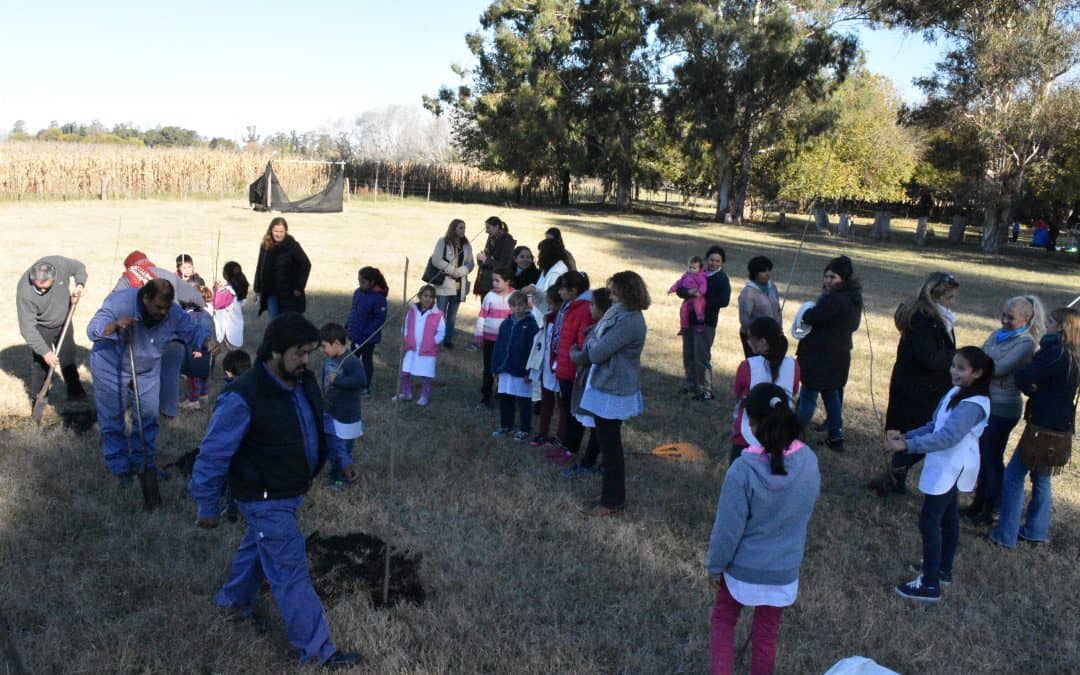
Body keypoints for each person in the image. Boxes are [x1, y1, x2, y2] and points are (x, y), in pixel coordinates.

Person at [188, 312, 361, 670]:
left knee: (259, 545)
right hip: (263, 496)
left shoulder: (304, 381)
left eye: (310, 352)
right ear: (274, 352)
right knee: (290, 569)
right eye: (299, 353)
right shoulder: (243, 397)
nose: (306, 361)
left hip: (287, 491)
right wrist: (206, 504)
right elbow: (212, 453)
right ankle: (317, 652)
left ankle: (233, 602)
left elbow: (324, 420)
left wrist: (341, 458)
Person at [707, 382, 820, 675]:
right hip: (783, 572)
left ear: (753, 424)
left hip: (742, 571)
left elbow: (727, 530)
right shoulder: (808, 461)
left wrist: (715, 565)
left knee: (723, 621)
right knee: (766, 635)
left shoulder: (743, 471)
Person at [887, 346, 993, 602]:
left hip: (953, 466)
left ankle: (930, 584)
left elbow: (947, 437)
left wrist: (908, 446)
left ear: (977, 373)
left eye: (961, 368)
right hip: (944, 463)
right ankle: (942, 569)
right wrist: (906, 436)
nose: (954, 371)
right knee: (947, 517)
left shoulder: (973, 405)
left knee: (929, 520)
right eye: (953, 365)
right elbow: (935, 425)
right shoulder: (955, 392)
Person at [87, 279, 219, 480]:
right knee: (113, 419)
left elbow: (191, 330)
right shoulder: (120, 302)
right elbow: (92, 330)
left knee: (147, 418)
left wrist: (207, 341)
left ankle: (144, 465)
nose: (163, 313)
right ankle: (120, 468)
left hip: (147, 368)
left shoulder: (172, 312)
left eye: (166, 308)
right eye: (158, 307)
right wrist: (114, 325)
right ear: (146, 298)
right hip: (110, 365)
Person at [990, 307, 1080, 549]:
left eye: (1050, 321)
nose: (1046, 324)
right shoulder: (1073, 355)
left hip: (1042, 426)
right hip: (1061, 426)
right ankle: (1035, 530)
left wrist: (1032, 389)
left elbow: (1024, 377)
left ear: (1061, 327)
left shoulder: (1054, 354)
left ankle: (1005, 534)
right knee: (1042, 478)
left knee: (1014, 476)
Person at [571, 271, 649, 516]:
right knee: (607, 443)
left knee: (611, 447)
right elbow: (594, 344)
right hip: (605, 384)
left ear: (628, 293)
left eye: (615, 292)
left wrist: (592, 345)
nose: (611, 297)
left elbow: (596, 352)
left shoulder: (631, 321)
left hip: (614, 389)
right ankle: (610, 493)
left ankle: (613, 500)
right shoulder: (618, 314)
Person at [878, 273, 959, 494]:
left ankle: (896, 477)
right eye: (950, 298)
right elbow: (929, 357)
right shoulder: (924, 320)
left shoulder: (936, 319)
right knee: (922, 435)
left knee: (917, 434)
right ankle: (894, 474)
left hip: (923, 386)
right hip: (918, 388)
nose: (953, 303)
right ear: (936, 297)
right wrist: (957, 356)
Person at [966, 296, 1043, 524]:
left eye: (1011, 317)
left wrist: (984, 362)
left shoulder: (1026, 343)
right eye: (1004, 315)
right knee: (982, 455)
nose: (1004, 320)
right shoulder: (997, 335)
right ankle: (978, 503)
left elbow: (999, 368)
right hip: (987, 403)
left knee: (991, 457)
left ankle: (991, 508)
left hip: (1003, 408)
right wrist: (984, 361)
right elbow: (979, 357)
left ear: (1026, 319)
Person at [795, 256, 863, 452]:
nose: (827, 281)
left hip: (820, 356)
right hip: (840, 355)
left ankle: (793, 434)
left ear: (844, 278)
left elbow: (811, 317)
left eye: (833, 277)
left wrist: (808, 311)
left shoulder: (835, 299)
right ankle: (835, 436)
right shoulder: (854, 298)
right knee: (832, 395)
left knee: (808, 396)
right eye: (826, 276)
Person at [17, 256, 88, 410]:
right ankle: (38, 399)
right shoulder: (25, 291)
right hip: (41, 327)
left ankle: (76, 392)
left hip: (65, 321)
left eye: (46, 288)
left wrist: (79, 286)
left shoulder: (59, 265)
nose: (42, 291)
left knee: (68, 356)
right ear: (32, 277)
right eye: (38, 287)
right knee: (41, 364)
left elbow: (79, 267)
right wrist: (45, 352)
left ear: (54, 278)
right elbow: (27, 328)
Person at [731, 317, 800, 463]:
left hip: (747, 436)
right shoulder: (793, 365)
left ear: (762, 342)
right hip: (781, 434)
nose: (748, 342)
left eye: (750, 338)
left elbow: (738, 394)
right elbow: (793, 392)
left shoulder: (747, 366)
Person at [563, 288, 613, 478]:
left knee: (596, 427)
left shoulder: (602, 331)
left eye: (593, 305)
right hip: (588, 380)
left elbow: (588, 356)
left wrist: (575, 352)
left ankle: (589, 462)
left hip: (596, 383)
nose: (589, 308)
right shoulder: (596, 328)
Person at [546, 272, 595, 465]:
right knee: (566, 409)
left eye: (562, 288)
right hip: (563, 364)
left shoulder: (582, 310)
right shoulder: (568, 306)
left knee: (574, 412)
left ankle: (572, 448)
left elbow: (583, 341)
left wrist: (576, 362)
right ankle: (566, 445)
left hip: (573, 367)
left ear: (573, 291)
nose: (559, 291)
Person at [676, 246, 730, 401]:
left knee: (701, 356)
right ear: (706, 260)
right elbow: (681, 288)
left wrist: (703, 303)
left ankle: (705, 389)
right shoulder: (698, 273)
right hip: (689, 320)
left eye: (717, 261)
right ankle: (690, 384)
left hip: (706, 323)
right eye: (711, 260)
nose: (714, 263)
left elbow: (724, 300)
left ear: (722, 263)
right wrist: (689, 293)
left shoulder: (722, 279)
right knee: (688, 353)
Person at [319, 323, 364, 491]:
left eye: (325, 346)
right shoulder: (329, 361)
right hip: (331, 412)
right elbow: (325, 384)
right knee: (332, 447)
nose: (323, 349)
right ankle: (334, 473)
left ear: (337, 344)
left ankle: (343, 480)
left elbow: (360, 381)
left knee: (343, 449)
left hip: (347, 416)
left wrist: (337, 381)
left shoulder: (351, 362)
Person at [491, 291, 541, 440]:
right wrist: (495, 367)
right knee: (505, 398)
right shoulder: (506, 323)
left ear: (527, 305)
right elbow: (498, 345)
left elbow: (534, 350)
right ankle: (506, 426)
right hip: (505, 368)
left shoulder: (532, 325)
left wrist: (529, 371)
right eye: (514, 305)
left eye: (521, 305)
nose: (517, 308)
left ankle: (525, 428)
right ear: (510, 306)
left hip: (521, 370)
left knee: (524, 401)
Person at [394, 284, 445, 406]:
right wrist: (406, 337)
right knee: (406, 370)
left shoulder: (437, 314)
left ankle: (424, 396)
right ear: (420, 296)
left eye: (431, 297)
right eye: (425, 296)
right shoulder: (412, 311)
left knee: (426, 374)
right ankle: (406, 392)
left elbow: (441, 331)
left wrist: (433, 342)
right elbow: (406, 326)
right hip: (412, 348)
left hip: (427, 350)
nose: (428, 299)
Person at [429, 219, 475, 350]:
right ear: (453, 229)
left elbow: (470, 263)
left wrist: (460, 272)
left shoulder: (466, 245)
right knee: (440, 313)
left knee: (452, 316)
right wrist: (451, 270)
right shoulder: (443, 242)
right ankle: (436, 339)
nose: (463, 230)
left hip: (459, 286)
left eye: (464, 228)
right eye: (460, 228)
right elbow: (436, 260)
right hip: (444, 285)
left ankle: (448, 339)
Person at [529, 286, 564, 448]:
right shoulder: (548, 319)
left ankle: (560, 436)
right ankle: (543, 433)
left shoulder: (564, 320)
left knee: (562, 404)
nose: (549, 307)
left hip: (560, 368)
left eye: (551, 304)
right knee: (546, 402)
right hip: (547, 367)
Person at [254, 217, 311, 317]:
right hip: (271, 293)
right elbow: (260, 266)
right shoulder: (266, 245)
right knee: (274, 323)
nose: (278, 234)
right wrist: (257, 288)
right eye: (276, 231)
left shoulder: (292, 246)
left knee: (288, 324)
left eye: (281, 231)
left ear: (286, 231)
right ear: (271, 230)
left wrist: (299, 287)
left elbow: (306, 264)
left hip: (289, 294)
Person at [345, 266, 388, 395]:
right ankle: (351, 383)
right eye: (359, 281)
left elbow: (379, 320)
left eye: (363, 282)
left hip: (368, 338)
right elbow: (354, 311)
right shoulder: (358, 293)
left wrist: (366, 332)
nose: (360, 284)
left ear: (372, 282)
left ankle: (365, 387)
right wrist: (348, 324)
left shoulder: (379, 299)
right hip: (355, 335)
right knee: (352, 359)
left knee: (366, 361)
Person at [474, 268, 513, 408]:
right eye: (493, 280)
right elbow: (481, 317)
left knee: (504, 367)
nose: (494, 283)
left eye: (498, 280)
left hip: (507, 340)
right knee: (489, 367)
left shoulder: (515, 296)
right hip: (489, 339)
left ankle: (503, 393)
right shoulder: (489, 296)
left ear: (507, 281)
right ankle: (486, 396)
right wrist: (479, 336)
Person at [737, 256, 782, 358]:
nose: (767, 274)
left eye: (769, 270)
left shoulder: (772, 287)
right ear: (755, 274)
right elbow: (744, 320)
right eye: (763, 271)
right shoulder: (748, 293)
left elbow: (778, 309)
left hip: (773, 335)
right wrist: (756, 337)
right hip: (755, 338)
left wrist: (779, 327)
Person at [473, 216, 517, 303]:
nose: (486, 231)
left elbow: (504, 264)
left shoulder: (507, 240)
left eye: (488, 228)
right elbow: (487, 256)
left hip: (499, 284)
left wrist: (486, 260)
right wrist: (481, 259)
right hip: (486, 282)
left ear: (497, 227)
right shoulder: (491, 238)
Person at [213, 261, 249, 351]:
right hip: (237, 324)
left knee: (233, 352)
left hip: (229, 328)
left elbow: (216, 304)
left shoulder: (228, 292)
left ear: (225, 274)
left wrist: (217, 291)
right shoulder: (239, 287)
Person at [668, 255, 708, 337]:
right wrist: (672, 289)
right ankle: (684, 326)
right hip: (688, 298)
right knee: (683, 309)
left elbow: (703, 285)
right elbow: (679, 283)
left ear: (699, 268)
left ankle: (700, 323)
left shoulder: (701, 276)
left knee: (698, 308)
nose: (691, 270)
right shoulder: (686, 275)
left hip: (698, 297)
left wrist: (700, 292)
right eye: (689, 267)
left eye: (694, 268)